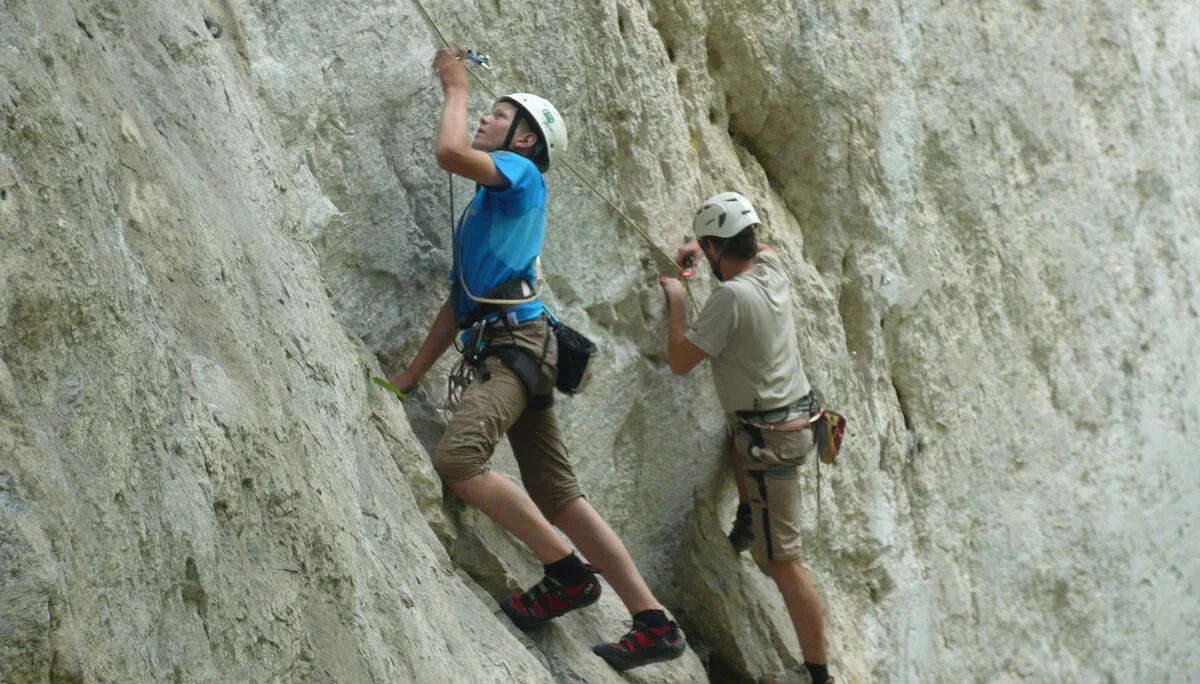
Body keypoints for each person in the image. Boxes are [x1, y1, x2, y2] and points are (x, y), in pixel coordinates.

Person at [387, 45, 686, 672]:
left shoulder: (522, 175)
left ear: (525, 139)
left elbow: (448, 153)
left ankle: (568, 576)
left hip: (516, 347)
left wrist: (455, 85)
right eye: (487, 113)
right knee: (559, 493)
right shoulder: (493, 205)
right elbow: (462, 301)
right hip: (521, 341)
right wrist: (410, 377)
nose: (483, 122)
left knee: (460, 460)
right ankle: (654, 621)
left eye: (497, 117)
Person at [658, 192, 834, 684]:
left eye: (709, 248)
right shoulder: (772, 270)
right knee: (742, 457)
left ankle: (819, 675)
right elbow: (769, 246)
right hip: (790, 423)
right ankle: (749, 518)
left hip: (770, 440)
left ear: (716, 249)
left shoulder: (731, 297)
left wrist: (676, 300)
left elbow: (680, 360)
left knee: (784, 564)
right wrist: (704, 241)